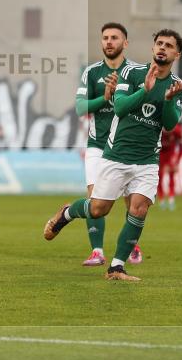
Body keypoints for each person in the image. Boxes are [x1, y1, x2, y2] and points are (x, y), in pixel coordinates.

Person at [43, 29, 182, 282]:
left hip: (147, 159)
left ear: (177, 53)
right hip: (117, 154)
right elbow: (119, 107)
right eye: (159, 43)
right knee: (98, 209)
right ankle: (67, 212)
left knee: (139, 209)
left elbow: (170, 125)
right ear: (153, 48)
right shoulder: (131, 73)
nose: (162, 48)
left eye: (169, 45)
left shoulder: (178, 87)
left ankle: (116, 268)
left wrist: (167, 99)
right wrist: (144, 90)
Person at [58, 22, 143, 267]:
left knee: (131, 199)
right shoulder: (92, 72)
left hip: (127, 145)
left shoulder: (135, 72)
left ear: (125, 43)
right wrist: (104, 97)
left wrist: (121, 98)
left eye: (114, 38)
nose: (109, 41)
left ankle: (132, 245)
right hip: (98, 145)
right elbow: (80, 107)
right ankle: (97, 251)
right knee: (95, 196)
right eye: (105, 37)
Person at [158, 123, 182, 210]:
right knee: (159, 178)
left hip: (170, 154)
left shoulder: (177, 130)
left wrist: (177, 161)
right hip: (160, 154)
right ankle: (161, 201)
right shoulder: (157, 128)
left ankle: (171, 200)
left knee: (171, 177)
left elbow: (181, 147)